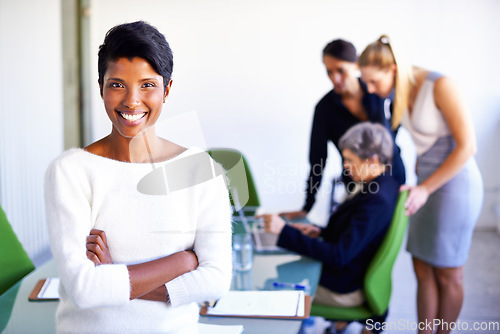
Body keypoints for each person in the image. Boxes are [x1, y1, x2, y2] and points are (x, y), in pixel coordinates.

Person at [44, 21, 232, 333]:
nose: (132, 101)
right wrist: (182, 263)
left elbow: (216, 280)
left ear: (167, 89)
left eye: (147, 85)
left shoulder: (201, 170)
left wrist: (114, 275)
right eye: (117, 85)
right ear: (101, 86)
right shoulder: (70, 171)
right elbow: (84, 288)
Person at [358, 35, 483, 334]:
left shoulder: (441, 86)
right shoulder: (399, 94)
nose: (372, 90)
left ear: (394, 70)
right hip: (425, 185)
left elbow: (467, 147)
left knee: (448, 274)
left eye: (374, 82)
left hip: (455, 185)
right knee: (422, 268)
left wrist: (425, 188)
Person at [259, 123, 399, 333]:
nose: (345, 166)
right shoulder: (383, 183)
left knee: (269, 283)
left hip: (345, 286)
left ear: (373, 160)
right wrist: (320, 231)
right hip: (351, 272)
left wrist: (283, 231)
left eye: (350, 160)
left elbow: (338, 256)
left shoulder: (376, 200)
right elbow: (358, 234)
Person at [280, 39, 405, 221]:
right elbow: (317, 161)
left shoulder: (377, 90)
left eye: (341, 70)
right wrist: (307, 206)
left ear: (356, 65)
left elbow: (398, 117)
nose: (335, 78)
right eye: (329, 72)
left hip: (393, 177)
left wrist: (391, 143)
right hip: (359, 188)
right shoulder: (324, 109)